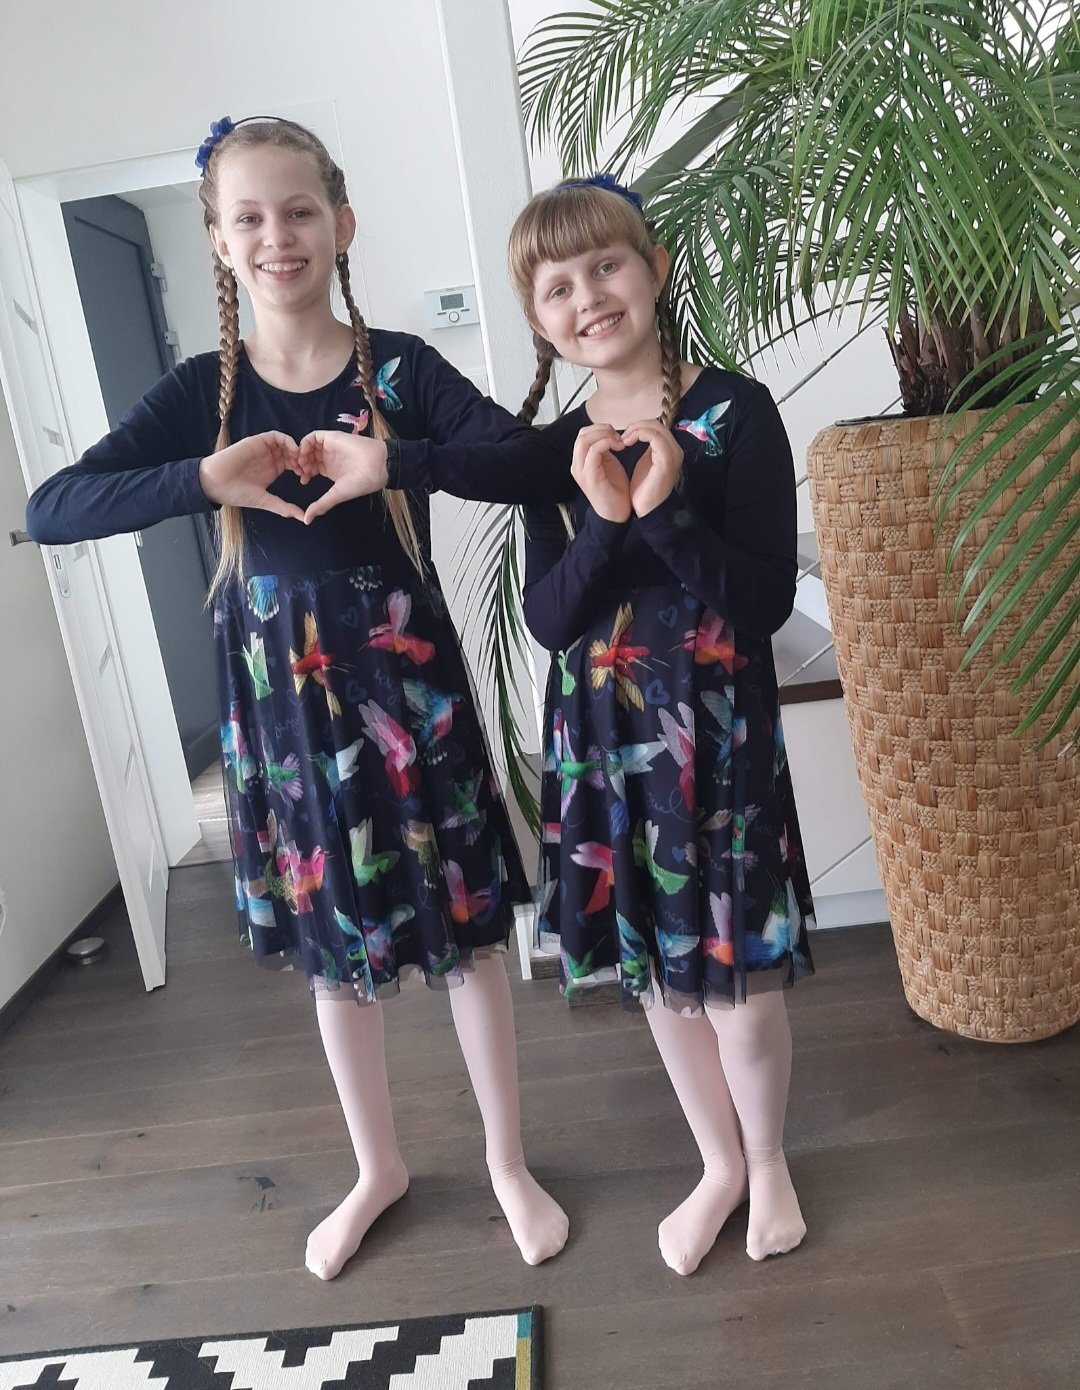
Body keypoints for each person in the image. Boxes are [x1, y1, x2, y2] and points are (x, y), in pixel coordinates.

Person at [24, 115, 571, 1280]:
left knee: (469, 935)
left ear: (342, 223)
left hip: (410, 692)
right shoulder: (200, 396)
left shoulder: (401, 370)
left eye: (300, 210)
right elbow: (53, 506)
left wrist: (400, 461)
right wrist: (201, 478)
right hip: (285, 713)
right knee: (337, 951)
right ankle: (376, 1168)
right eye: (250, 217)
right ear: (220, 242)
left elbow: (530, 463)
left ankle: (507, 1159)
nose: (278, 235)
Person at [505, 175, 816, 1272]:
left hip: (719, 740)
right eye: (557, 286)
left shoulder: (737, 410)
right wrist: (602, 522)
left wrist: (668, 508)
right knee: (660, 974)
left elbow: (762, 599)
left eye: (606, 266)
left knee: (742, 990)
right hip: (606, 744)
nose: (588, 297)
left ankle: (768, 1159)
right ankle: (718, 1163)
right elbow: (550, 618)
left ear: (654, 270)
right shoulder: (554, 448)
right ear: (538, 317)